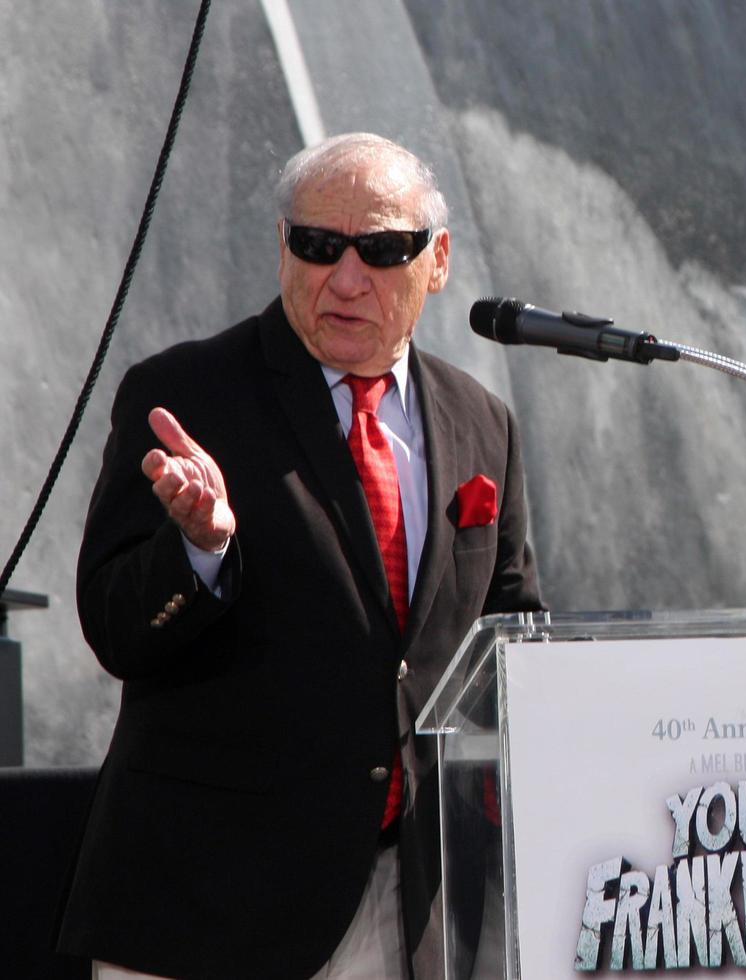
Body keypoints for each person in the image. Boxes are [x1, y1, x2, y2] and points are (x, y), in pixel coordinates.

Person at [58, 133, 543, 979]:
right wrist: (200, 548)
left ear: (438, 262)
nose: (345, 279)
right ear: (284, 247)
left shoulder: (481, 424)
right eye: (319, 246)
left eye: (383, 250)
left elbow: (511, 633)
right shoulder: (186, 398)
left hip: (405, 905)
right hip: (208, 910)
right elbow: (114, 627)